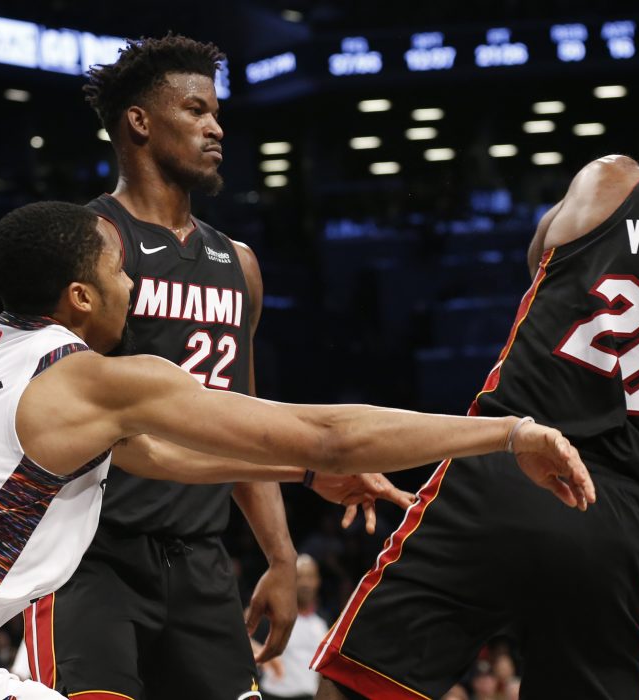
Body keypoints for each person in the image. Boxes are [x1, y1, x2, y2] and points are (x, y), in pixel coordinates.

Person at [0, 201, 593, 700]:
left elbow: (153, 455)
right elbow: (329, 430)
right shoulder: (87, 380)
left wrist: (303, 474)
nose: (133, 287)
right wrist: (505, 433)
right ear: (81, 297)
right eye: (119, 273)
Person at [313, 48, 639, 699]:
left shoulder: (612, 181)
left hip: (501, 461)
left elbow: (544, 265)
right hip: (612, 519)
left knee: (361, 684)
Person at [23, 35, 411, 700]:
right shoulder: (90, 247)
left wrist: (282, 557)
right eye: (196, 111)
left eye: (217, 113)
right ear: (139, 122)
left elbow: (244, 422)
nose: (215, 127)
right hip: (89, 554)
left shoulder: (240, 263)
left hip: (202, 561)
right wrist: (312, 464)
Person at [260, 554, 330, 700]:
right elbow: (246, 642)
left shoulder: (324, 622)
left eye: (310, 577)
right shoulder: (271, 617)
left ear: (318, 581)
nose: (305, 583)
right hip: (273, 695)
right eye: (299, 577)